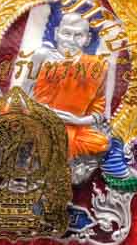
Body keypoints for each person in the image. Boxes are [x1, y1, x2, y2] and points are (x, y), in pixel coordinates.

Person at [27, 12, 112, 159]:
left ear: (87, 39)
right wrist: (42, 111)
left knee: (101, 143)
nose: (71, 41)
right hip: (39, 120)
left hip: (75, 126)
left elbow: (98, 112)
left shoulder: (98, 66)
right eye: (66, 33)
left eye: (78, 35)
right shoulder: (41, 56)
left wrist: (78, 120)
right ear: (56, 33)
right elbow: (22, 94)